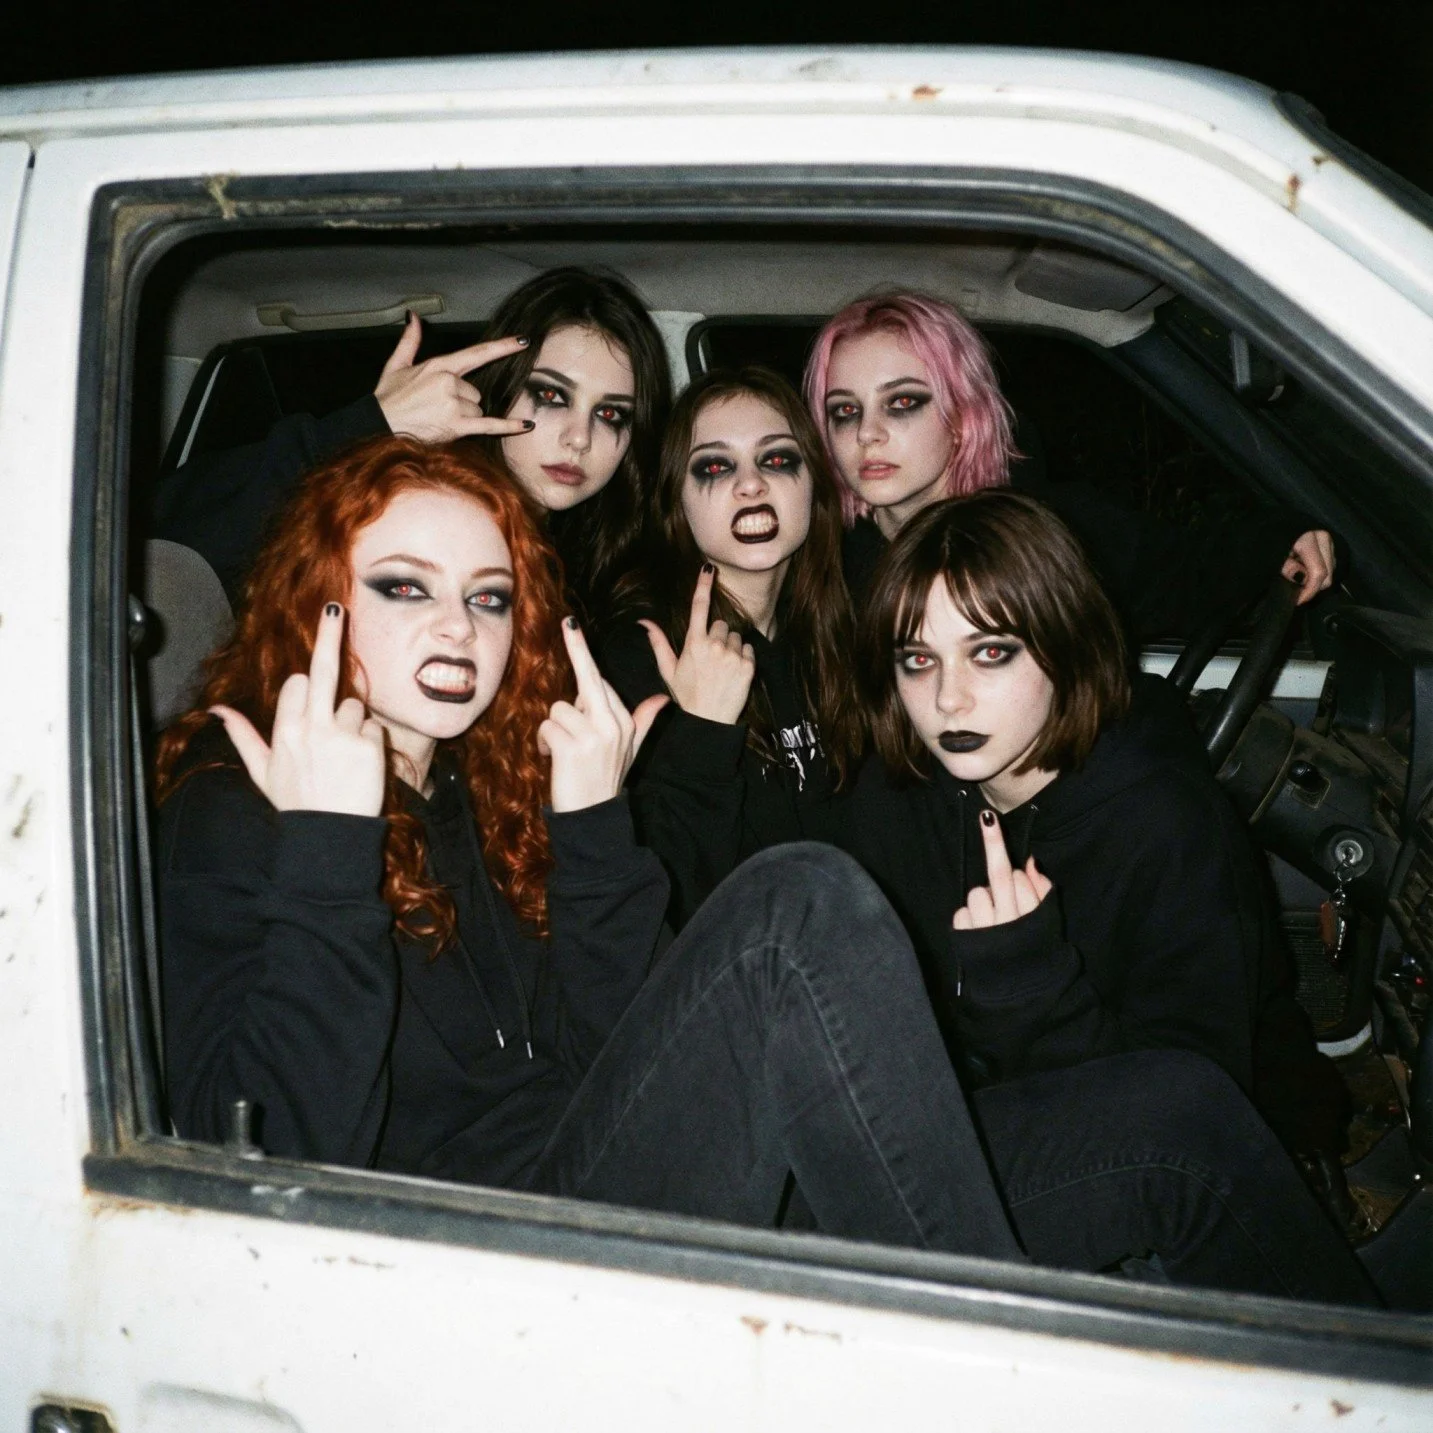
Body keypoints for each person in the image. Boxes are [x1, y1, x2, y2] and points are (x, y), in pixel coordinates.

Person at [153, 432, 1026, 1258]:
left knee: (1153, 1126)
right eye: (406, 586)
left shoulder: (483, 779)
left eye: (487, 596)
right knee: (796, 907)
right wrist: (328, 856)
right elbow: (258, 1165)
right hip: (475, 1249)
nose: (459, 627)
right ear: (319, 600)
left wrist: (593, 824)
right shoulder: (237, 802)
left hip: (595, 1167)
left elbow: (613, 1049)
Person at [842, 489, 1367, 1293]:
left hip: (1230, 1178)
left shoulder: (1160, 822)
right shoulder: (905, 795)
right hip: (1000, 1116)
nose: (947, 698)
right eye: (918, 658)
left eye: (990, 652)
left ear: (1063, 646)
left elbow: (1182, 1128)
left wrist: (1027, 984)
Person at [149, 267, 671, 619]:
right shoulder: (408, 511)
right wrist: (371, 425)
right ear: (500, 385)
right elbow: (166, 540)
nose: (580, 438)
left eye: (610, 414)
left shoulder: (600, 569)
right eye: (552, 395)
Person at [804, 291, 1338, 631]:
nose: (867, 434)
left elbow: (1185, 573)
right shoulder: (820, 564)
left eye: (902, 402)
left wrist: (1278, 538)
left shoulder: (1054, 531)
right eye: (844, 411)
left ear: (962, 416)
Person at [598, 367, 862, 925]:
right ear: (678, 504)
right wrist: (701, 731)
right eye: (716, 467)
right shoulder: (639, 657)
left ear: (813, 484)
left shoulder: (839, 633)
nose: (751, 485)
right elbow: (653, 907)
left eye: (777, 459)